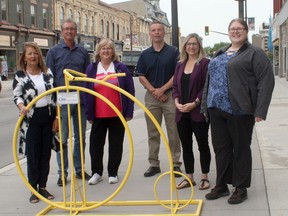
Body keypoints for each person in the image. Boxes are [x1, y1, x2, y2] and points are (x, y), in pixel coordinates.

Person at [201, 18, 275, 204]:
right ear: (228, 31)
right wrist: (205, 105)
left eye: (239, 28)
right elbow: (209, 82)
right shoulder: (221, 52)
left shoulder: (254, 53)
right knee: (221, 149)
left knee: (241, 149)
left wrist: (260, 110)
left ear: (246, 31)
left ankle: (240, 188)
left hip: (240, 109)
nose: (236, 31)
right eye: (232, 29)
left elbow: (266, 81)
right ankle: (222, 185)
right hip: (216, 108)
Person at [46, 18, 91, 187]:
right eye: (66, 29)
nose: (69, 32)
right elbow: (50, 78)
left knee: (80, 138)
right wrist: (54, 107)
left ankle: (79, 170)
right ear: (62, 31)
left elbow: (87, 76)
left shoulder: (83, 52)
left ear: (76, 31)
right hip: (62, 100)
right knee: (62, 138)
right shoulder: (54, 52)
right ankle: (62, 173)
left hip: (79, 99)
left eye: (72, 29)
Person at [84, 39, 135, 185]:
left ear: (113, 52)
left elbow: (129, 90)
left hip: (117, 113)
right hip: (98, 114)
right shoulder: (92, 69)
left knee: (115, 144)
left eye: (109, 49)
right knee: (95, 145)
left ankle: (113, 173)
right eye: (103, 48)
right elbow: (86, 92)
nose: (106, 51)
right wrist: (89, 113)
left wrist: (129, 111)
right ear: (98, 52)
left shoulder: (120, 68)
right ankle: (97, 173)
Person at [13, 42, 58, 203]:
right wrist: (21, 106)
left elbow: (55, 96)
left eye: (36, 53)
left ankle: (43, 187)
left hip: (47, 117)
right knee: (33, 155)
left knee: (45, 154)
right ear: (24, 57)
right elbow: (17, 95)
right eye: (30, 54)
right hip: (31, 119)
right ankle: (33, 189)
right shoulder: (20, 75)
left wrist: (57, 118)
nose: (33, 56)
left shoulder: (47, 73)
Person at [136, 21, 182, 177]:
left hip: (169, 96)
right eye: (153, 30)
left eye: (159, 30)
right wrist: (154, 91)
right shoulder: (144, 54)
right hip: (151, 97)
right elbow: (141, 75)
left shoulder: (174, 52)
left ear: (164, 33)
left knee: (173, 132)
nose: (156, 32)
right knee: (153, 132)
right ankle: (154, 164)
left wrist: (162, 89)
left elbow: (178, 74)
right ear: (150, 33)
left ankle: (175, 164)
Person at [172, 33, 211, 190]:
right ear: (184, 46)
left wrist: (194, 103)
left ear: (199, 46)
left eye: (194, 44)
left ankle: (204, 177)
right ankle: (189, 177)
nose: (191, 47)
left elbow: (206, 87)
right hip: (182, 113)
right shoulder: (180, 64)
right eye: (189, 44)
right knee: (186, 146)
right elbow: (175, 87)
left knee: (202, 145)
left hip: (198, 112)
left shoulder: (205, 63)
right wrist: (176, 103)